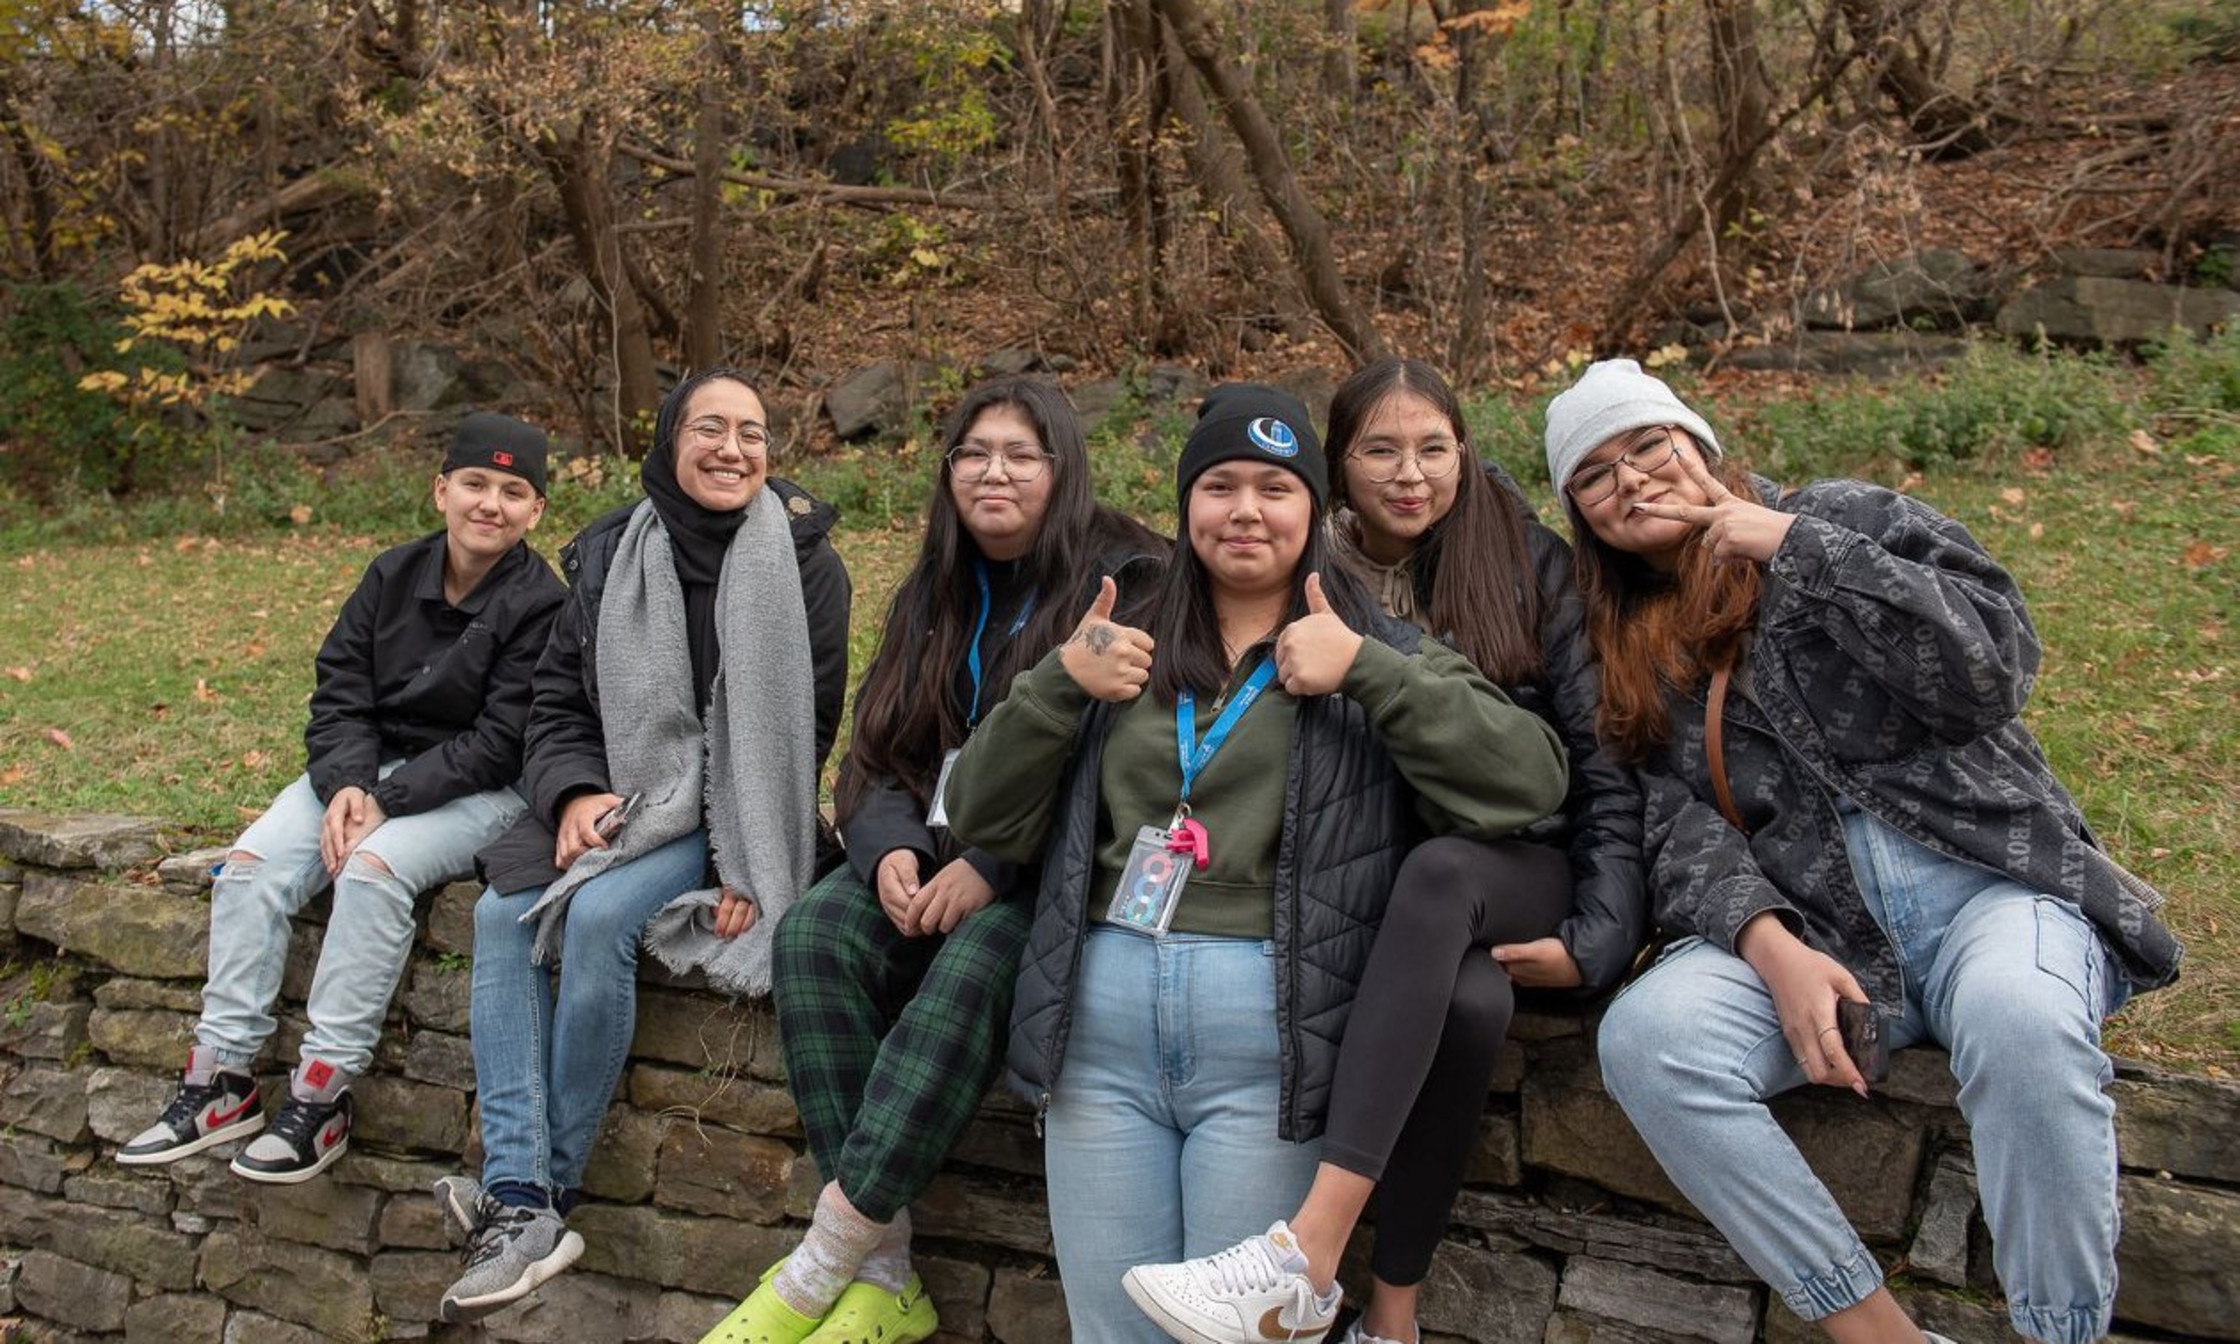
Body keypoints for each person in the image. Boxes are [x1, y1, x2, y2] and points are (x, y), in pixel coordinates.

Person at [1546, 359, 2182, 1344]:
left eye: (1645, 447)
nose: (1628, 481)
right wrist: (1769, 946)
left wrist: (1796, 547)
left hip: (1990, 891)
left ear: (1699, 446)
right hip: (1820, 930)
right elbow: (1669, 824)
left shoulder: (1846, 517)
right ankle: (1873, 1329)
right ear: (1582, 515)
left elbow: (1989, 662)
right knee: (1648, 1041)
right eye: (1593, 475)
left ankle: (2059, 1334)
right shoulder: (1623, 641)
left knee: (2019, 1025)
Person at [943, 384, 1571, 1344]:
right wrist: (1055, 688)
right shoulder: (1117, 637)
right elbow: (979, 812)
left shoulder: (1376, 644)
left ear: (1316, 510)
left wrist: (1369, 671)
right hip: (1098, 1039)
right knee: (1111, 1334)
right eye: (1220, 485)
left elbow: (1531, 782)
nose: (1244, 510)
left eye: (1276, 489)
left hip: (1267, 1043)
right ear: (1186, 503)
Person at [1123, 358, 1644, 1344]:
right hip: (1388, 882)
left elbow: (1596, 759)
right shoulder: (1301, 558)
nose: (1410, 474)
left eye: (1433, 448)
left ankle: (1306, 1255)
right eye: (1379, 450)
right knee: (1470, 1002)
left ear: (1463, 450)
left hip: (1513, 860)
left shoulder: (1527, 562)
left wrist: (1600, 933)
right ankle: (1391, 1321)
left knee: (1443, 874)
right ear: (1335, 465)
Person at [696, 377, 1162, 1344]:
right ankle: (890, 1270)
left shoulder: (1129, 580)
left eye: (1021, 455)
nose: (995, 472)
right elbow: (876, 753)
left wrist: (991, 864)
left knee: (975, 964)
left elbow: (1122, 770)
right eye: (974, 453)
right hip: (929, 852)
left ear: (1062, 467)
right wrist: (888, 854)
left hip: (1049, 872)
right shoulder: (935, 588)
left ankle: (824, 1260)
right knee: (815, 936)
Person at [435, 367, 852, 1323]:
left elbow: (804, 729)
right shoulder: (610, 553)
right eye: (710, 427)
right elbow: (559, 704)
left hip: (720, 814)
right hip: (614, 797)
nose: (733, 449)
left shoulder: (805, 561)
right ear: (670, 440)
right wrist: (575, 791)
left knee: (601, 916)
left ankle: (539, 1198)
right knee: (503, 915)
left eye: (752, 433)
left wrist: (744, 857)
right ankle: (522, 1195)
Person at [117, 413, 563, 1183]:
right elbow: (340, 696)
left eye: (513, 491)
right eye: (475, 484)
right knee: (251, 865)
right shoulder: (390, 576)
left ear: (535, 512)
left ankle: (321, 1096)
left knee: (373, 872)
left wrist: (387, 800)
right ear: (441, 490)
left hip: (484, 787)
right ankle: (219, 1078)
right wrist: (350, 784)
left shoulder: (541, 603)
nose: (491, 503)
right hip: (366, 773)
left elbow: (502, 741)